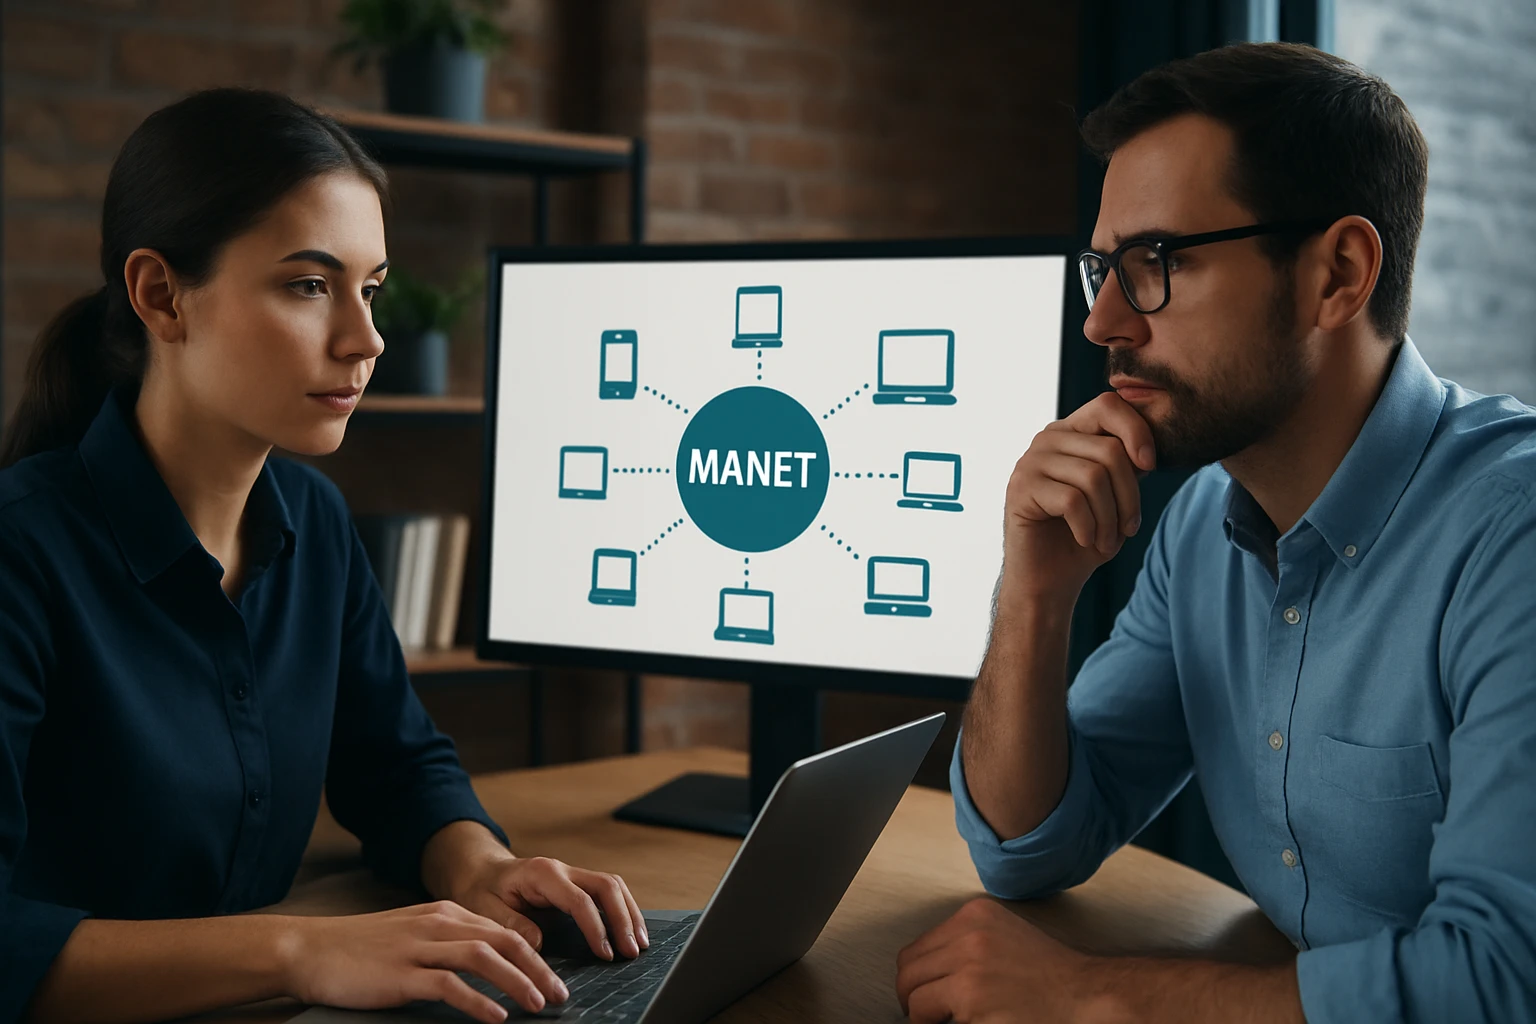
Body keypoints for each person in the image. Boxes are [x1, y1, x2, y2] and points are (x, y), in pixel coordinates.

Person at [896, 42, 1536, 1023]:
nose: (1103, 321)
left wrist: (1091, 995)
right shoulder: (1203, 523)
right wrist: (1034, 590)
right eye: (1103, 269)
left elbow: (1501, 982)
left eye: (1155, 263)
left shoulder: (1512, 537)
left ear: (1339, 274)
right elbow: (1028, 845)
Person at [0, 89, 648, 1024]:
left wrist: (482, 867)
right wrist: (303, 950)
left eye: (371, 288)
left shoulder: (314, 518)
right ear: (160, 295)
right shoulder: (23, 554)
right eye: (309, 285)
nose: (367, 338)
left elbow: (398, 765)